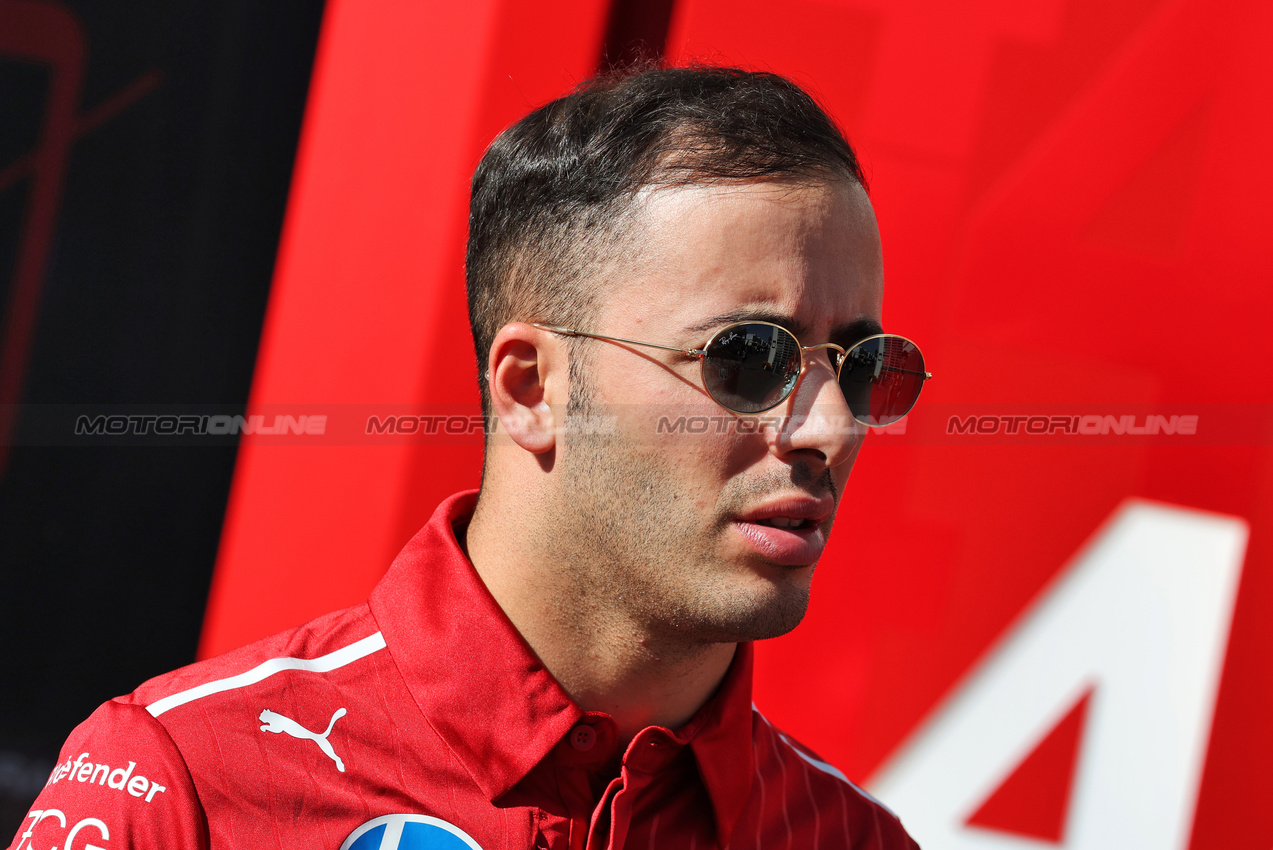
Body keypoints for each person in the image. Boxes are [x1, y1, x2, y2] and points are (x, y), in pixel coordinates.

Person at [9, 65, 927, 850]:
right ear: (531, 387)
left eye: (862, 367)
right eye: (748, 358)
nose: (828, 430)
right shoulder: (190, 781)